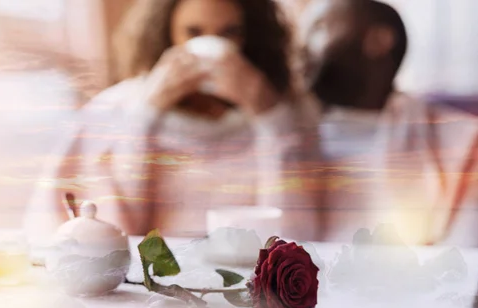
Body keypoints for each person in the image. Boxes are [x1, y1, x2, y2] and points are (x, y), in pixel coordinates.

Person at [24, 0, 321, 242]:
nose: (212, 45)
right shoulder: (118, 107)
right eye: (193, 32)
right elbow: (111, 229)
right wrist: (147, 113)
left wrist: (269, 115)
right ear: (166, 34)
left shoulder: (285, 110)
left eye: (230, 32)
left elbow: (298, 235)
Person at [298, 0, 478, 246]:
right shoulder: (280, 134)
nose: (300, 47)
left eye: (319, 29)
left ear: (378, 40)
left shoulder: (464, 143)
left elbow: (467, 256)